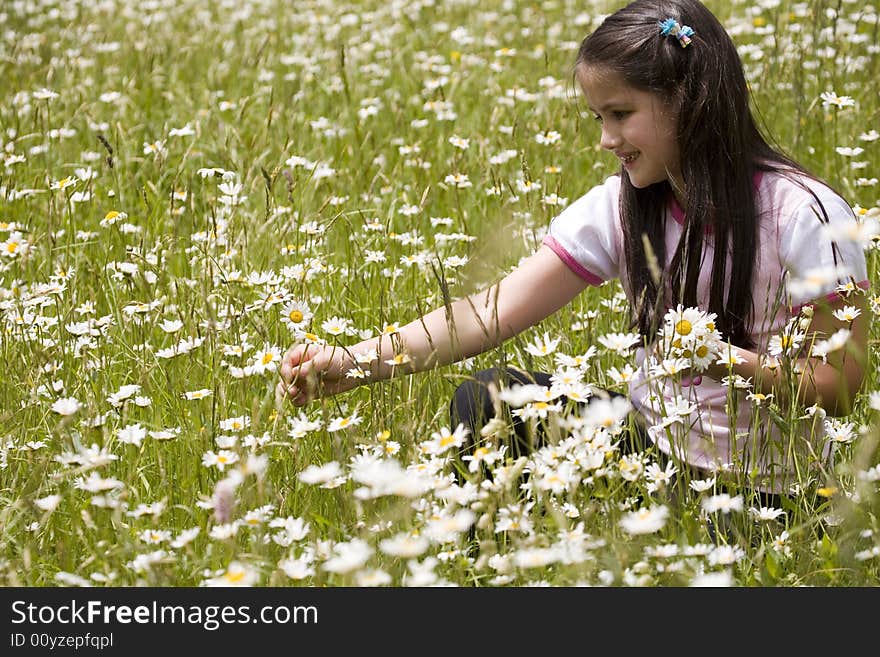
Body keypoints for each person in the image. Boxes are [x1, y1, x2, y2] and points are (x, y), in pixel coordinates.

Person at [278, 0, 869, 506]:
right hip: (651, 453)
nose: (606, 140)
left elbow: (840, 385)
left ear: (691, 102)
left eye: (621, 115)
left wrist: (725, 361)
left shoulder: (806, 216)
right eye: (598, 117)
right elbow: (492, 310)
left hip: (768, 488)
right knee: (486, 399)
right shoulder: (623, 205)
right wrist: (354, 362)